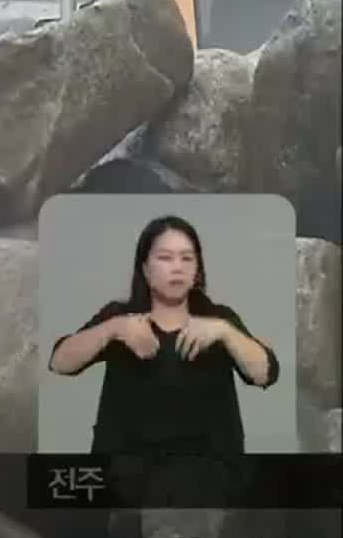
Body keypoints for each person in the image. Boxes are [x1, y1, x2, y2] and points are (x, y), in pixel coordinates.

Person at [47, 215, 280, 520]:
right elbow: (60, 361)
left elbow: (265, 372)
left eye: (187, 258)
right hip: (127, 474)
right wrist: (113, 329)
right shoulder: (121, 316)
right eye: (165, 257)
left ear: (197, 270)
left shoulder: (218, 318)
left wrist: (225, 332)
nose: (177, 267)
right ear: (145, 269)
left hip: (205, 475)